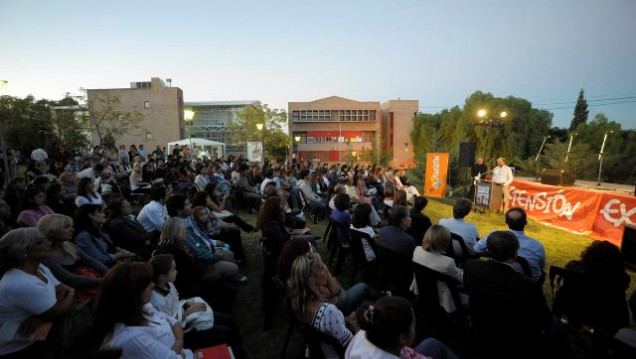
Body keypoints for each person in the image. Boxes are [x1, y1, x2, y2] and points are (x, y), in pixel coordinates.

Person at [463, 230, 552, 358]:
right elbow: (544, 321)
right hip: (511, 339)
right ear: (515, 255)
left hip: (481, 326)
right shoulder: (528, 287)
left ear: (488, 250)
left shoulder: (471, 266)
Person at [92, 262, 194, 359]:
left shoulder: (142, 307)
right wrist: (179, 348)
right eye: (147, 283)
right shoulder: (132, 337)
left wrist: (178, 343)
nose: (153, 285)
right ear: (134, 293)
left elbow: (174, 322)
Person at [0, 228, 74, 357]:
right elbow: (58, 313)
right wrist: (72, 292)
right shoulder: (21, 282)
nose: (49, 243)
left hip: (37, 338)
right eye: (40, 242)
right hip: (17, 350)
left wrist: (42, 316)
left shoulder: (39, 267)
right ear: (23, 251)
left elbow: (60, 289)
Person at [149, 254, 241, 351]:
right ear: (162, 276)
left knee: (230, 320)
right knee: (227, 332)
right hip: (185, 332)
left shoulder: (169, 284)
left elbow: (177, 302)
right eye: (173, 269)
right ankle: (233, 350)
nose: (176, 271)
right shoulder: (157, 302)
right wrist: (186, 313)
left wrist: (189, 305)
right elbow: (169, 327)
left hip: (188, 315)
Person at [553, 240, 631, 335]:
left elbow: (560, 300)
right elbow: (622, 321)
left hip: (574, 314)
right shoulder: (615, 285)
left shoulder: (574, 274)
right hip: (602, 322)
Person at [347, 296, 459, 359]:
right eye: (413, 325)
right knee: (433, 344)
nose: (415, 326)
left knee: (432, 343)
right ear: (402, 338)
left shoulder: (363, 334)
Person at [38, 214, 108, 292]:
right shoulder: (45, 256)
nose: (72, 229)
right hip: (74, 292)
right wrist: (107, 280)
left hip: (89, 284)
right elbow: (71, 280)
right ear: (51, 232)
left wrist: (110, 274)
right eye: (66, 227)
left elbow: (91, 262)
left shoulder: (70, 246)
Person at [474, 208, 545, 282]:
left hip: (493, 281)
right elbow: (539, 271)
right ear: (525, 222)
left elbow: (476, 250)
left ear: (506, 221)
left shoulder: (495, 235)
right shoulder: (537, 246)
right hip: (523, 288)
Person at [411, 225, 466, 313]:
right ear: (445, 242)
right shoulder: (447, 263)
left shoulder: (417, 250)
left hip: (422, 290)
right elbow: (461, 279)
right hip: (443, 299)